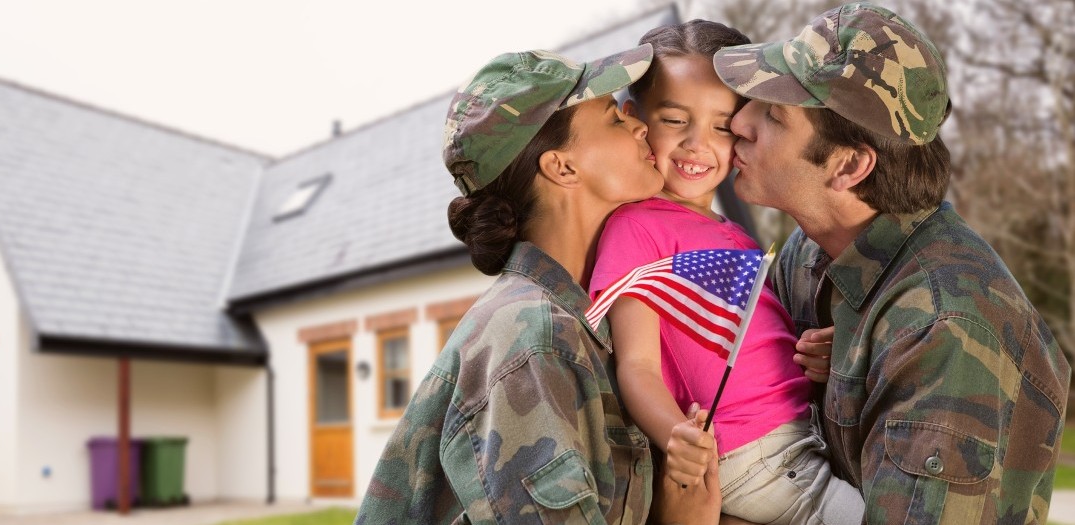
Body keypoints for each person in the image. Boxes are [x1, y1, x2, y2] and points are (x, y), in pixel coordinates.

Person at [711, 2, 1072, 523]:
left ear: (849, 165)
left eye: (774, 115)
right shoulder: (810, 252)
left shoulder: (946, 330)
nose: (738, 121)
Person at [355, 44, 722, 525]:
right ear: (562, 168)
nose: (639, 126)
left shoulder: (588, 316)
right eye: (613, 119)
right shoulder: (534, 338)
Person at [589, 20, 862, 525]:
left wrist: (808, 356)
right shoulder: (637, 227)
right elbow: (638, 365)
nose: (698, 144)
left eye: (720, 125)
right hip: (752, 454)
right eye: (674, 120)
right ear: (635, 118)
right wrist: (676, 435)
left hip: (797, 436)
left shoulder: (725, 228)